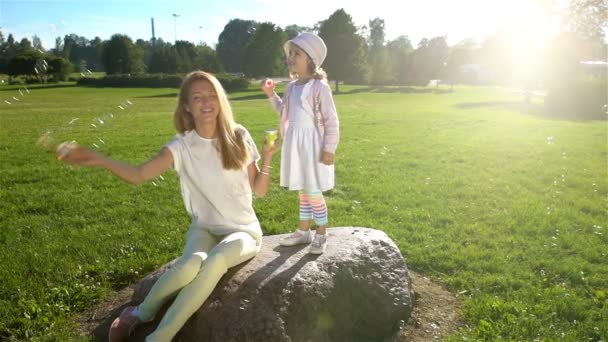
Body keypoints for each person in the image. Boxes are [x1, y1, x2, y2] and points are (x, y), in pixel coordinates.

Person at [58, 70, 280, 341]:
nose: (206, 102)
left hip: (244, 230)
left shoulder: (238, 135)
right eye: (197, 97)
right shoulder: (181, 146)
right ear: (186, 106)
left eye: (212, 96)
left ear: (221, 100)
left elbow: (260, 190)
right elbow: (140, 175)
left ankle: (159, 338)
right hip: (205, 228)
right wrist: (99, 159)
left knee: (216, 261)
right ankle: (141, 313)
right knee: (189, 266)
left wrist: (267, 157)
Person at [261, 32, 339, 254]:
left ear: (311, 60)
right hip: (296, 145)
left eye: (296, 53)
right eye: (290, 53)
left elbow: (331, 120)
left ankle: (322, 233)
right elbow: (283, 111)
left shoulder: (319, 87)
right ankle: (304, 230)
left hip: (313, 146)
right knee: (303, 191)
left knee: (313, 190)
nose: (291, 57)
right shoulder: (291, 87)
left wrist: (329, 148)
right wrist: (270, 94)